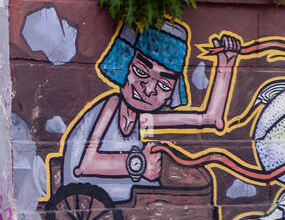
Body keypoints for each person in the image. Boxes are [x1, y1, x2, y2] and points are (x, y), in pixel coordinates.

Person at [59, 21, 240, 202]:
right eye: (141, 71)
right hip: (87, 203)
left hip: (127, 204)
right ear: (125, 65)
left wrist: (226, 65)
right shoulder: (112, 105)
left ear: (171, 95)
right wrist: (140, 165)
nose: (148, 89)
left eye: (163, 85)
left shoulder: (144, 119)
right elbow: (84, 166)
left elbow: (209, 119)